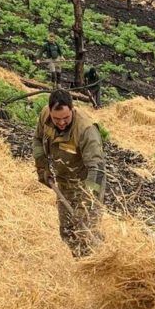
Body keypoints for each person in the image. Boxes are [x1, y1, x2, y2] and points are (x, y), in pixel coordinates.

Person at [32, 89, 106, 257]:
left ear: (72, 109)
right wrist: (42, 166)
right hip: (64, 181)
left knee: (86, 232)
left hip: (87, 183)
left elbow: (97, 169)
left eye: (66, 118)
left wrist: (87, 202)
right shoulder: (45, 116)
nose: (62, 123)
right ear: (50, 111)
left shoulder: (86, 130)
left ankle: (98, 262)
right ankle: (79, 262)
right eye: (57, 118)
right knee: (67, 230)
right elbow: (37, 139)